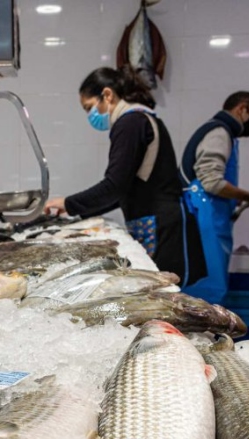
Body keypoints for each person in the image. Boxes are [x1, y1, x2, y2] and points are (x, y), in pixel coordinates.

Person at [44, 66, 206, 286]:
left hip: (160, 227)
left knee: (162, 298)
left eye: (89, 107)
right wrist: (75, 210)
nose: (90, 116)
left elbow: (114, 186)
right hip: (159, 222)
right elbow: (124, 189)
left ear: (107, 95)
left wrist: (68, 203)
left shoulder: (130, 123)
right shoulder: (139, 120)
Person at [179, 91, 249, 305]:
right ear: (241, 108)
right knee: (205, 291)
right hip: (204, 219)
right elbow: (212, 183)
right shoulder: (219, 133)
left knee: (211, 288)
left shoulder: (226, 135)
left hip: (213, 216)